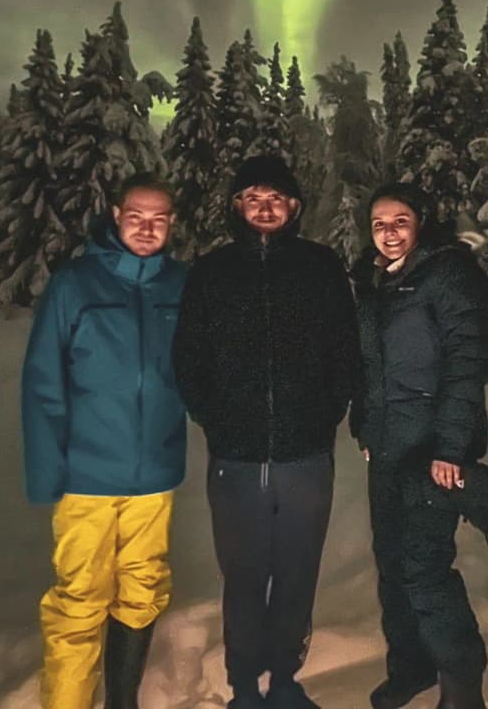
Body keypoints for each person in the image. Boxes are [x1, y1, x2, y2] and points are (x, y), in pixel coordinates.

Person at [173, 154, 361, 709]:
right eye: (253, 198)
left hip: (305, 456)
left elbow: (344, 352)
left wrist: (326, 413)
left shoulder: (320, 268)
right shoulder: (211, 273)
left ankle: (284, 681)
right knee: (245, 574)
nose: (265, 206)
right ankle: (243, 687)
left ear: (294, 206)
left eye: (275, 198)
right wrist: (217, 417)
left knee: (298, 570)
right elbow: (188, 358)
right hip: (236, 457)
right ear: (237, 206)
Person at [21, 173, 187, 709]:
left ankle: (123, 702)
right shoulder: (75, 284)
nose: (146, 227)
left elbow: (206, 368)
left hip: (154, 477)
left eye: (158, 218)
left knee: (142, 596)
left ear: (172, 224)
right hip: (87, 478)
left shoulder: (181, 286)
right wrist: (50, 472)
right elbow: (44, 380)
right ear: (116, 214)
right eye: (136, 215)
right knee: (79, 603)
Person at [350, 182, 488, 709]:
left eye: (400, 222)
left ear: (420, 223)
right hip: (387, 450)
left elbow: (467, 365)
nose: (389, 234)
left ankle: (462, 685)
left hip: (433, 453)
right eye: (379, 225)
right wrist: (364, 427)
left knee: (424, 568)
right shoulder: (375, 281)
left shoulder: (448, 274)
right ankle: (411, 668)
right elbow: (368, 366)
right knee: (392, 565)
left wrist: (451, 449)